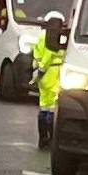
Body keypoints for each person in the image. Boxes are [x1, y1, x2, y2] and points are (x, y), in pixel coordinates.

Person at [32, 11, 67, 150]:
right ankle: (52, 139)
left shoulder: (42, 36)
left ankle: (42, 139)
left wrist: (39, 71)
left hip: (44, 74)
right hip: (56, 72)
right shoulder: (62, 37)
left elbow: (39, 55)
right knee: (53, 108)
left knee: (43, 106)